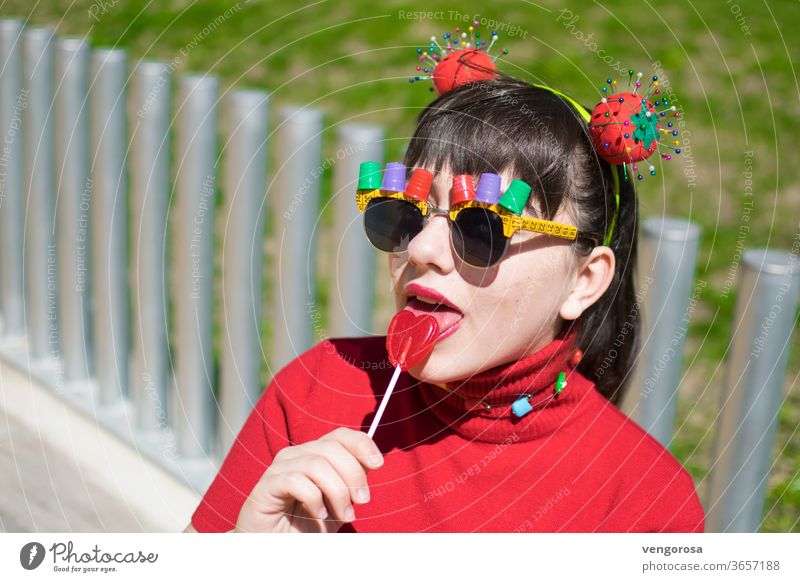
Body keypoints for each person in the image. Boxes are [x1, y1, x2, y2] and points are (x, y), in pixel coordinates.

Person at [184, 72, 705, 533]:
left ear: (583, 282)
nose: (422, 248)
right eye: (408, 214)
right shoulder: (315, 390)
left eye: (482, 226)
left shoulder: (643, 502)